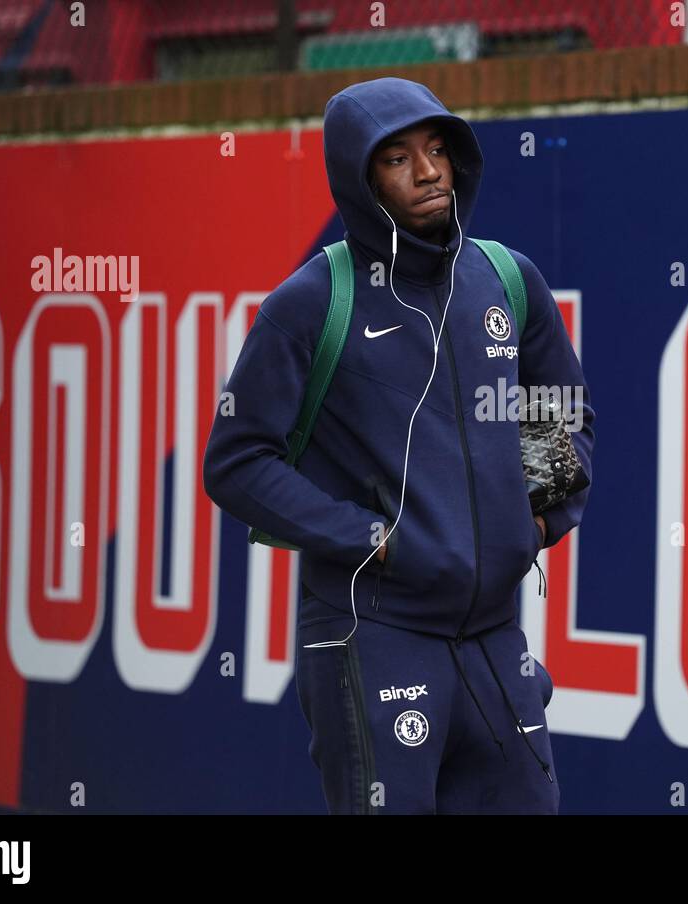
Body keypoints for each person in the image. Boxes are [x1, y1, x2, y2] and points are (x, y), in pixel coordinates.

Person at [202, 76, 595, 814]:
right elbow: (237, 461)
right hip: (373, 633)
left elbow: (558, 409)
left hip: (495, 636)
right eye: (397, 158)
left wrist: (532, 522)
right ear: (358, 178)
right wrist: (371, 538)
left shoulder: (507, 281)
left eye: (439, 149)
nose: (428, 171)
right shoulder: (314, 302)